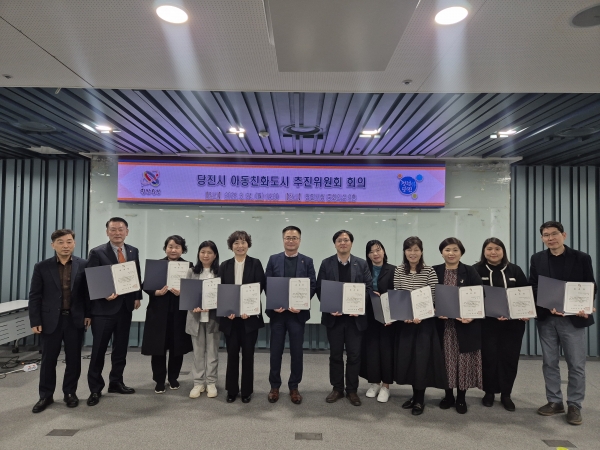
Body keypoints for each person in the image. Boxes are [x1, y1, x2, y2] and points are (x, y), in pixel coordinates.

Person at [530, 221, 596, 425]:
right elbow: (534, 286)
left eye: (554, 234)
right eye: (546, 235)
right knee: (549, 362)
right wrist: (548, 304)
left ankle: (575, 405)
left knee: (576, 364)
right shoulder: (537, 258)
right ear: (542, 238)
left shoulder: (581, 257)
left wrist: (586, 305)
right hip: (547, 318)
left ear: (564, 235)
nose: (550, 238)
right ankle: (555, 401)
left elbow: (590, 285)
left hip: (572, 319)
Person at [28, 229, 91, 413]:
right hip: (50, 320)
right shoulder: (42, 266)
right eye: (61, 242)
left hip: (74, 319)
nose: (65, 246)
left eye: (69, 242)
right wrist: (35, 320)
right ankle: (45, 395)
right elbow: (35, 295)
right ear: (53, 245)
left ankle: (70, 393)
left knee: (74, 359)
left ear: (74, 244)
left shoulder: (84, 264)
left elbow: (88, 294)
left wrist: (88, 314)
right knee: (48, 360)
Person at [86, 217, 142, 407]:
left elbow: (136, 274)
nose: (117, 233)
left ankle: (116, 382)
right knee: (99, 350)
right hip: (103, 309)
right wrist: (103, 295)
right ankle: (95, 388)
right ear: (107, 232)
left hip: (125, 308)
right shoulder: (97, 252)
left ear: (127, 231)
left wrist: (137, 296)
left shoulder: (133, 251)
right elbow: (91, 280)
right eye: (113, 229)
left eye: (121, 229)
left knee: (120, 349)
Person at [390, 236, 447, 415]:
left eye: (416, 250)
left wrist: (420, 315)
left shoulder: (429, 271)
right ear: (404, 252)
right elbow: (398, 295)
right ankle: (414, 396)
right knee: (409, 361)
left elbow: (434, 297)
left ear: (421, 251)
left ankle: (420, 399)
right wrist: (405, 315)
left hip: (424, 324)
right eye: (409, 250)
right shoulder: (399, 270)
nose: (412, 253)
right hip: (406, 324)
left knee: (422, 361)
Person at [316, 230, 373, 406]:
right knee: (335, 355)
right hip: (334, 319)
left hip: (355, 319)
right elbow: (320, 288)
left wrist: (359, 306)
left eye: (346, 240)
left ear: (351, 243)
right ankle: (337, 388)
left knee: (354, 356)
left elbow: (368, 288)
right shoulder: (326, 263)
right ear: (335, 244)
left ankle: (352, 390)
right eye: (339, 240)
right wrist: (329, 306)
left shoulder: (361, 264)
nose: (343, 243)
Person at [473, 237, 529, 412]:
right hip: (486, 324)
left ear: (503, 251)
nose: (493, 252)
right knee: (488, 358)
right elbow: (471, 296)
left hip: (512, 325)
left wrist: (525, 312)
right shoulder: (476, 270)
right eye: (489, 249)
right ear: (484, 252)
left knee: (509, 359)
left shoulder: (515, 270)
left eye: (497, 249)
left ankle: (506, 394)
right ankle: (489, 392)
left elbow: (525, 294)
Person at [265, 226, 316, 405]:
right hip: (278, 315)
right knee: (275, 352)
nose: (291, 240)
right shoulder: (273, 259)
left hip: (297, 315)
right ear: (283, 239)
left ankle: (294, 387)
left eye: (294, 238)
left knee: (297, 352)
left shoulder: (307, 261)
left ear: (299, 240)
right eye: (288, 237)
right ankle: (274, 386)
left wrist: (301, 304)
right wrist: (274, 302)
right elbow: (267, 283)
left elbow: (312, 285)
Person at [433, 237, 483, 414]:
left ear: (461, 252)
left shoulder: (470, 271)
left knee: (463, 362)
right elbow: (427, 295)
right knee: (446, 361)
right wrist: (434, 309)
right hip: (443, 327)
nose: (451, 253)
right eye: (447, 250)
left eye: (455, 250)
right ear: (441, 252)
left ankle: (461, 397)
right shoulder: (434, 271)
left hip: (464, 326)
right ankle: (448, 395)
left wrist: (471, 316)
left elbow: (479, 296)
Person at [218, 231, 266, 404]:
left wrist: (249, 309)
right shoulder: (224, 265)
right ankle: (231, 390)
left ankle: (246, 391)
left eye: (243, 242)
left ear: (248, 245)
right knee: (232, 355)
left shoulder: (255, 263)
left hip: (249, 318)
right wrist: (227, 309)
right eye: (236, 243)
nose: (240, 246)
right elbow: (221, 290)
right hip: (230, 319)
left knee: (248, 355)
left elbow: (259, 287)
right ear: (231, 246)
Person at [141, 235, 193, 394]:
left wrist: (184, 291)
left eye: (177, 247)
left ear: (183, 249)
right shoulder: (156, 265)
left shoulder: (189, 266)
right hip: (158, 312)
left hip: (179, 313)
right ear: (165, 248)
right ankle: (159, 380)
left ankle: (173, 377)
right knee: (158, 347)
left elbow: (194, 288)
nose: (173, 250)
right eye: (170, 246)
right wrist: (155, 292)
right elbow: (145, 285)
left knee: (177, 347)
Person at [360, 239, 395, 403]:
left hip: (387, 318)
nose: (375, 253)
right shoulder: (363, 269)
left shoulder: (393, 270)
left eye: (378, 249)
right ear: (368, 255)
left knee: (386, 351)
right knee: (371, 350)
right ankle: (374, 382)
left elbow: (397, 293)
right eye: (371, 251)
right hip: (369, 316)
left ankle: (386, 385)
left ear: (383, 251)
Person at [185, 240, 221, 399]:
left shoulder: (220, 273)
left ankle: (211, 382)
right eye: (202, 252)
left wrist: (214, 305)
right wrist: (192, 305)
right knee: (198, 353)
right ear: (198, 254)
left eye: (209, 252)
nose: (205, 255)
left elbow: (224, 296)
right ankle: (198, 383)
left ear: (215, 255)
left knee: (212, 352)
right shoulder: (191, 272)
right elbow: (187, 295)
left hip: (213, 318)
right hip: (196, 318)